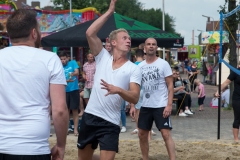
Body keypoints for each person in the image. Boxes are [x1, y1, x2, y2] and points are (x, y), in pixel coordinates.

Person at [0, 9, 69, 160]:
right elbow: (59, 110)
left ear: (10, 36)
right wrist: (61, 145)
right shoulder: (50, 59)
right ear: (33, 33)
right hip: (32, 147)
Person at [77, 0, 141, 159]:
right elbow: (89, 33)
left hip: (110, 123)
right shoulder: (102, 57)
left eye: (129, 39)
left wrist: (118, 90)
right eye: (124, 38)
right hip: (90, 117)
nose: (128, 40)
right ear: (113, 42)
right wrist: (109, 12)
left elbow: (135, 97)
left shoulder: (133, 68)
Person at [138, 38, 176, 160]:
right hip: (145, 104)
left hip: (160, 104)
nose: (151, 46)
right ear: (144, 48)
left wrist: (169, 105)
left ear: (156, 47)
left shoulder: (163, 64)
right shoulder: (140, 66)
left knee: (165, 134)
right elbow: (136, 87)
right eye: (148, 44)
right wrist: (133, 105)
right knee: (142, 134)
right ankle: (145, 158)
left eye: (153, 44)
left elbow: (170, 85)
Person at [215, 62, 240, 143]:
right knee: (238, 118)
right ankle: (236, 139)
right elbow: (226, 82)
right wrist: (218, 91)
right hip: (237, 99)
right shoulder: (236, 72)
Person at [58, 51, 80, 136]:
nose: (63, 61)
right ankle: (66, 128)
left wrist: (72, 74)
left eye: (64, 59)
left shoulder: (73, 63)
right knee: (66, 111)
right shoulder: (58, 66)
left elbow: (77, 72)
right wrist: (66, 80)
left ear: (68, 58)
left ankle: (75, 129)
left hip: (74, 89)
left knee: (75, 110)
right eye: (61, 59)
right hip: (64, 91)